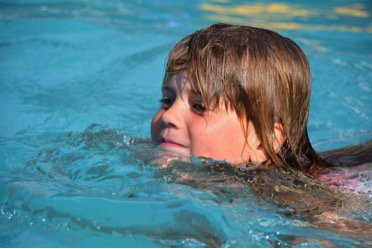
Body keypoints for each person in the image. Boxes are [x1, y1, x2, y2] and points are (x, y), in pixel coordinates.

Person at [151, 22, 325, 172]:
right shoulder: (144, 152)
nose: (168, 116)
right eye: (167, 101)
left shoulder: (294, 201)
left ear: (263, 142)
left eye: (199, 106)